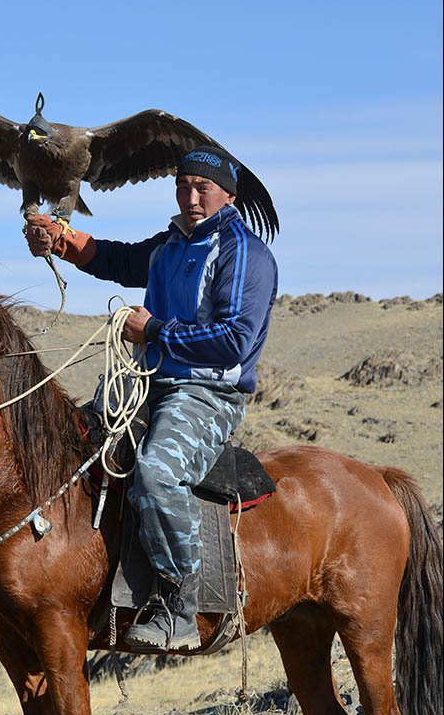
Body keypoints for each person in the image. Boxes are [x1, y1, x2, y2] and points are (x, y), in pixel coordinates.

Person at [24, 146, 278, 651]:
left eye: (202, 187)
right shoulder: (171, 243)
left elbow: (234, 341)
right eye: (183, 186)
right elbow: (117, 259)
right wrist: (62, 239)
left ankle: (181, 606)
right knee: (74, 445)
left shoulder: (244, 254)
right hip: (149, 381)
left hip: (207, 393)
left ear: (228, 194)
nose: (190, 196)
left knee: (158, 474)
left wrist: (155, 329)